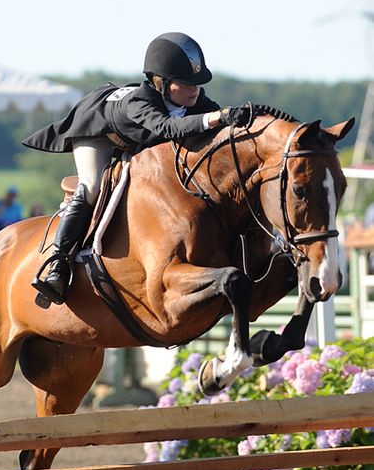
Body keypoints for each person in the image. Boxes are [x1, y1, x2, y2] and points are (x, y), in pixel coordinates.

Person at [23, 31, 252, 305]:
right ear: (162, 82)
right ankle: (57, 265)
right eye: (186, 83)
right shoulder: (139, 101)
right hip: (98, 132)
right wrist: (216, 118)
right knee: (93, 186)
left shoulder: (195, 100)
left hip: (137, 140)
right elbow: (167, 128)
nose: (195, 89)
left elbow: (216, 122)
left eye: (198, 84)